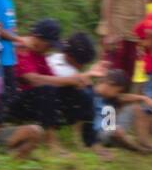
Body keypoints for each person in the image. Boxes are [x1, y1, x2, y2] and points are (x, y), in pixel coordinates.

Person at [6, 18, 96, 147]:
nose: (50, 49)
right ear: (37, 37)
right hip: (16, 102)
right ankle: (51, 141)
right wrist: (70, 80)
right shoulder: (22, 48)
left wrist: (76, 82)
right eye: (49, 45)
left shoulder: (40, 55)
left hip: (37, 103)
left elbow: (54, 81)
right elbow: (34, 80)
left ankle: (89, 142)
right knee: (48, 89)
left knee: (78, 92)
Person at [100, 0, 149, 78]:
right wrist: (108, 31)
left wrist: (142, 36)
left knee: (127, 79)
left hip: (134, 33)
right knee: (111, 81)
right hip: (117, 32)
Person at [90, 66, 152, 150]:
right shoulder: (90, 94)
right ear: (110, 83)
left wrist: (144, 98)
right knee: (116, 131)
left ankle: (144, 142)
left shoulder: (109, 96)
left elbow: (123, 97)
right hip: (99, 133)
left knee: (136, 108)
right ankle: (136, 149)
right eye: (117, 91)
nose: (117, 94)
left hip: (114, 129)